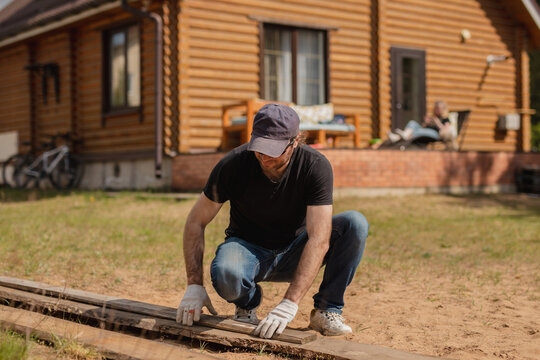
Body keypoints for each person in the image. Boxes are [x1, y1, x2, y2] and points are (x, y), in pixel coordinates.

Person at [176, 103, 368, 338]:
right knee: (226, 273)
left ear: (295, 141)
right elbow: (196, 221)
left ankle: (326, 310)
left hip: (296, 252)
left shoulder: (315, 166)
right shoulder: (233, 165)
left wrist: (290, 302)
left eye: (273, 149)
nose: (264, 156)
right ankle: (247, 303)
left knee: (354, 223)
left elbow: (319, 238)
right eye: (260, 146)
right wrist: (194, 285)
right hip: (247, 250)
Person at [387, 101, 456, 149]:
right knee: (412, 123)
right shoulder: (433, 117)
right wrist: (426, 123)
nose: (436, 110)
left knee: (417, 132)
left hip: (436, 134)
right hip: (426, 131)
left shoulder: (445, 119)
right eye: (436, 108)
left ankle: (398, 138)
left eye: (438, 109)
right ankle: (403, 135)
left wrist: (437, 122)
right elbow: (423, 127)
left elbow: (445, 130)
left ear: (443, 109)